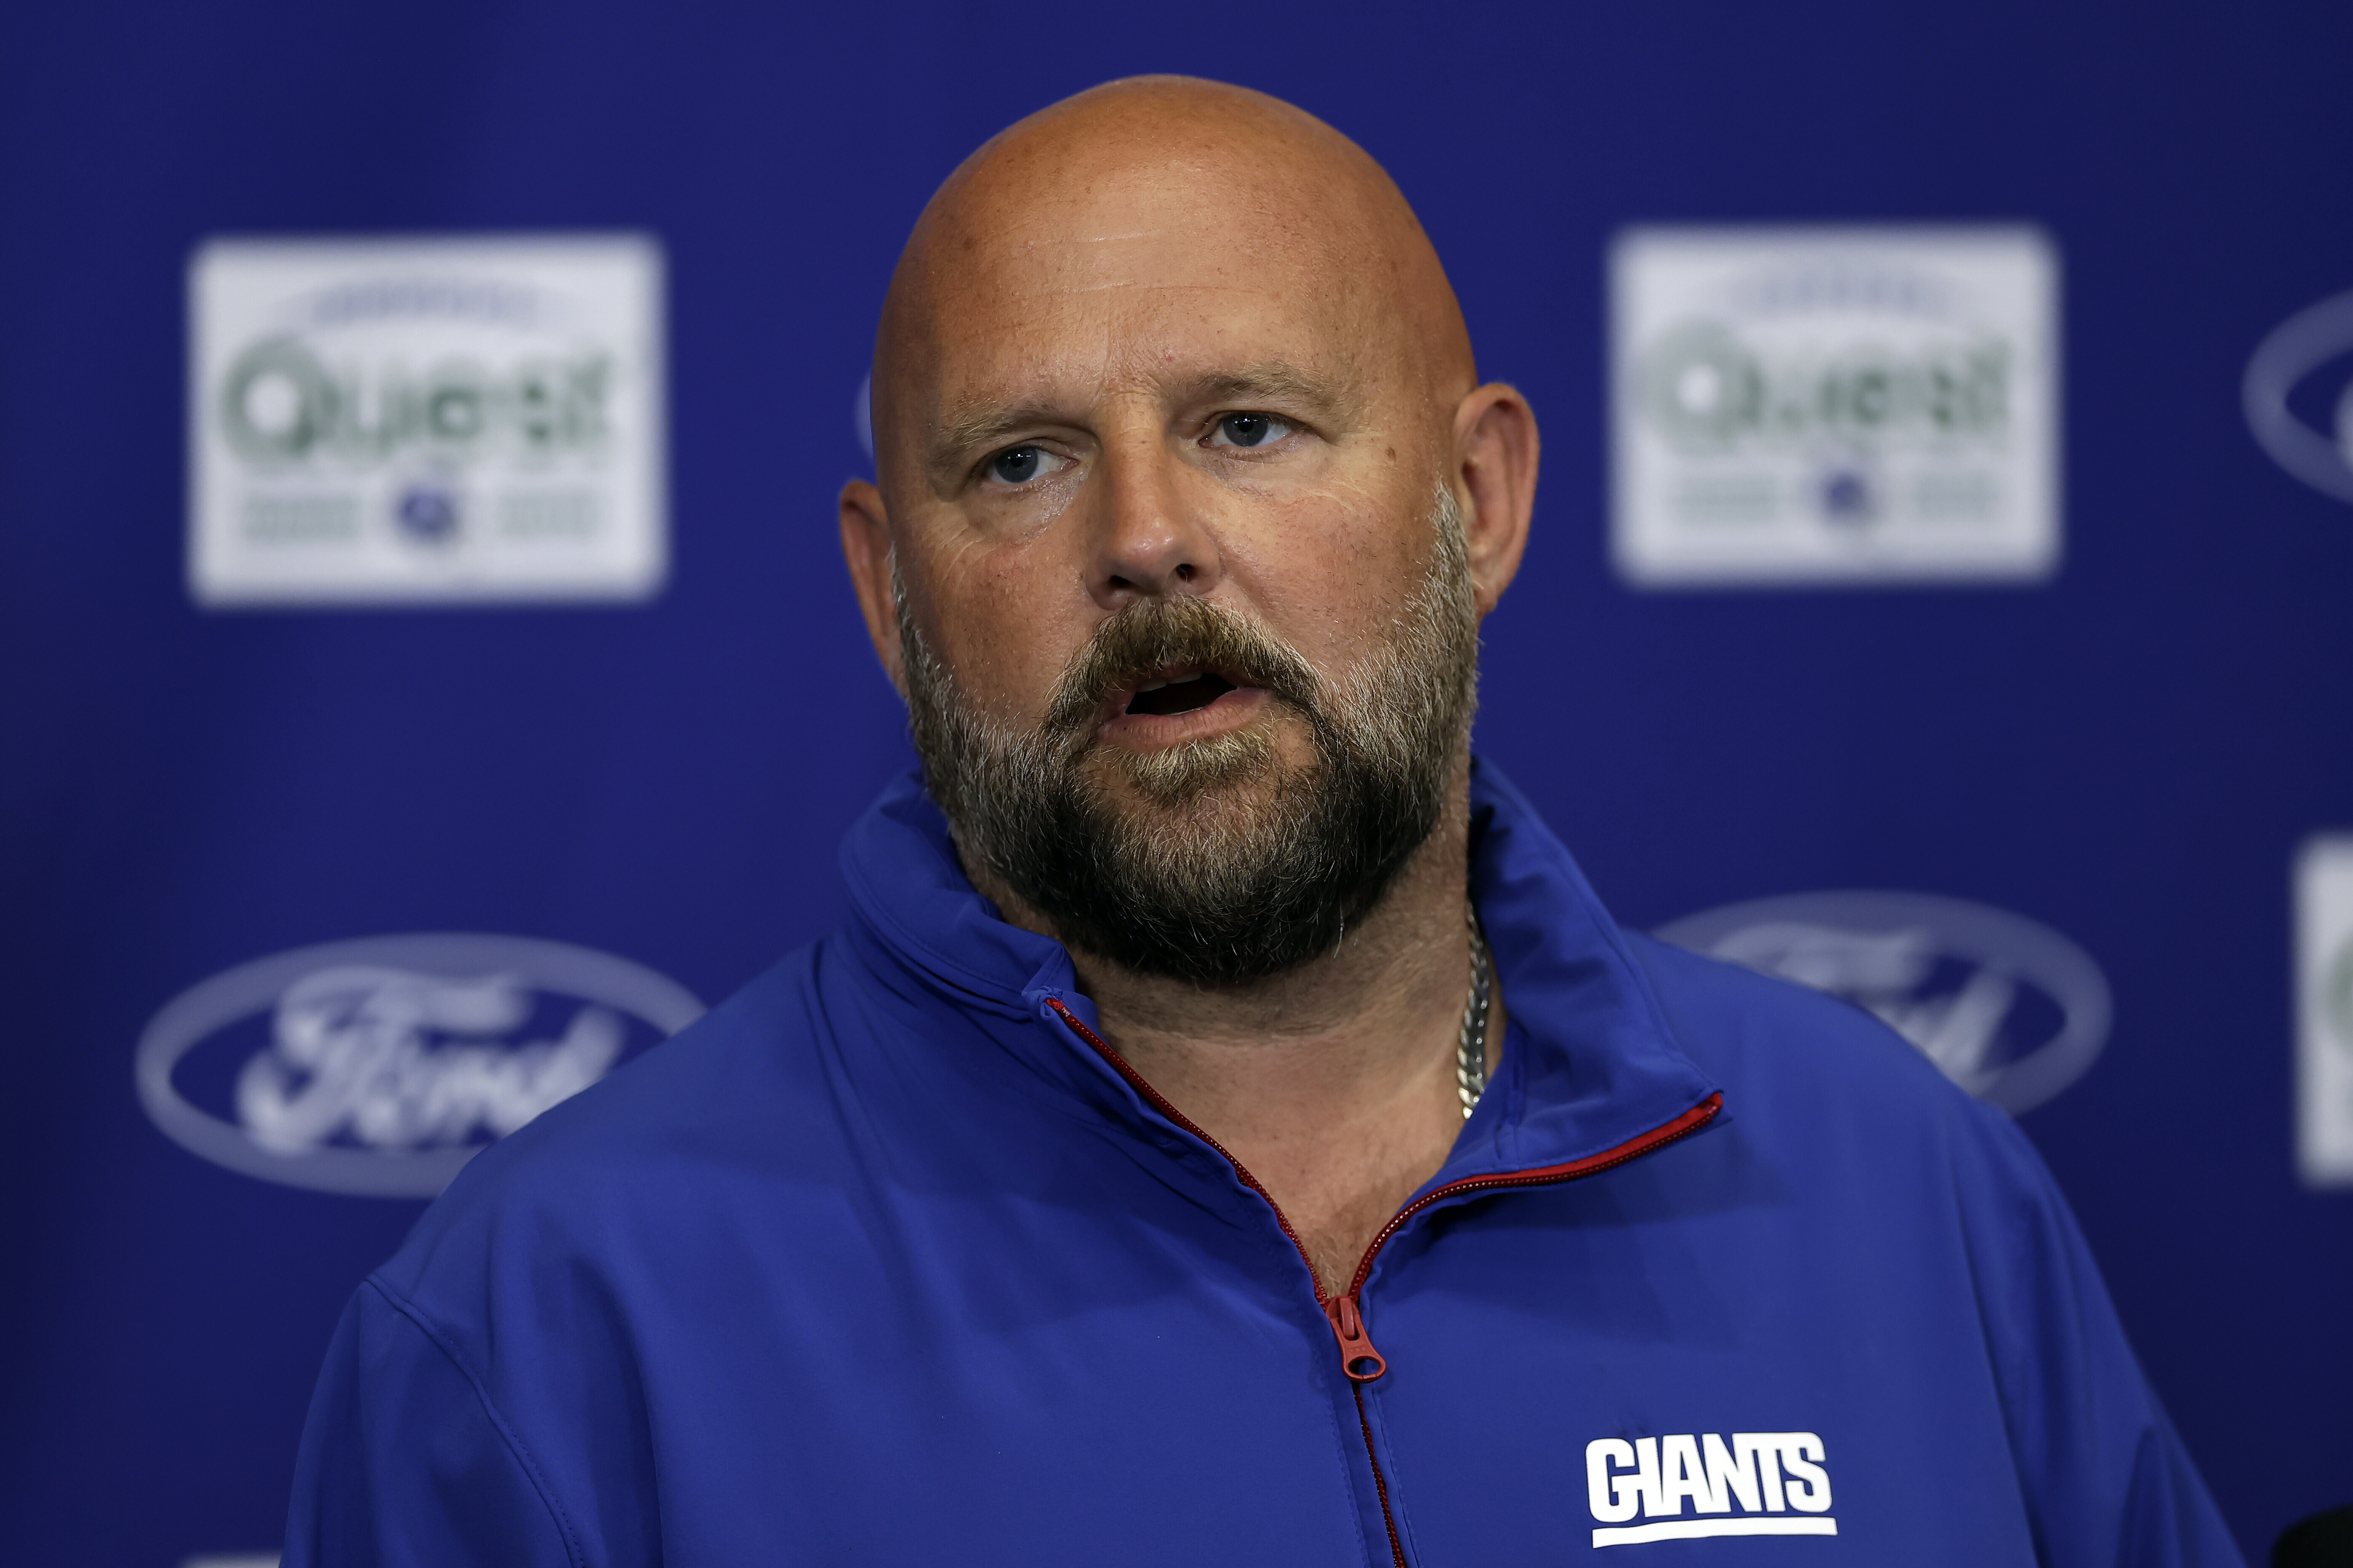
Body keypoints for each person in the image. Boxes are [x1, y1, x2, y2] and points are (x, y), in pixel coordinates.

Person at [283, 77, 2241, 1566]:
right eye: (1024, 459)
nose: (1145, 539)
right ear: (891, 597)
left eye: (1245, 426)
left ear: (1475, 501)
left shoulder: (1907, 1193)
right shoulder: (543, 1323)